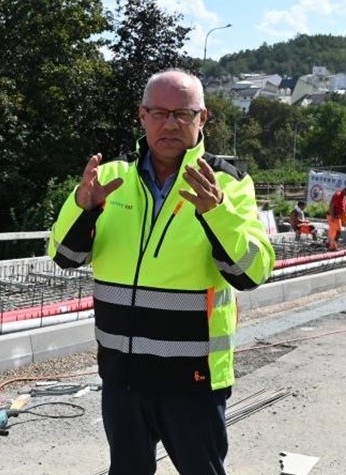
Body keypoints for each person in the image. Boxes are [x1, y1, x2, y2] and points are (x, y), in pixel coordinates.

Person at [47, 69, 275, 475]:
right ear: (142, 116)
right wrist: (85, 210)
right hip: (123, 377)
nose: (170, 123)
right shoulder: (110, 178)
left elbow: (251, 273)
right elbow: (64, 256)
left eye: (183, 114)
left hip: (192, 380)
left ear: (202, 118)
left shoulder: (227, 183)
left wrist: (217, 214)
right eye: (159, 112)